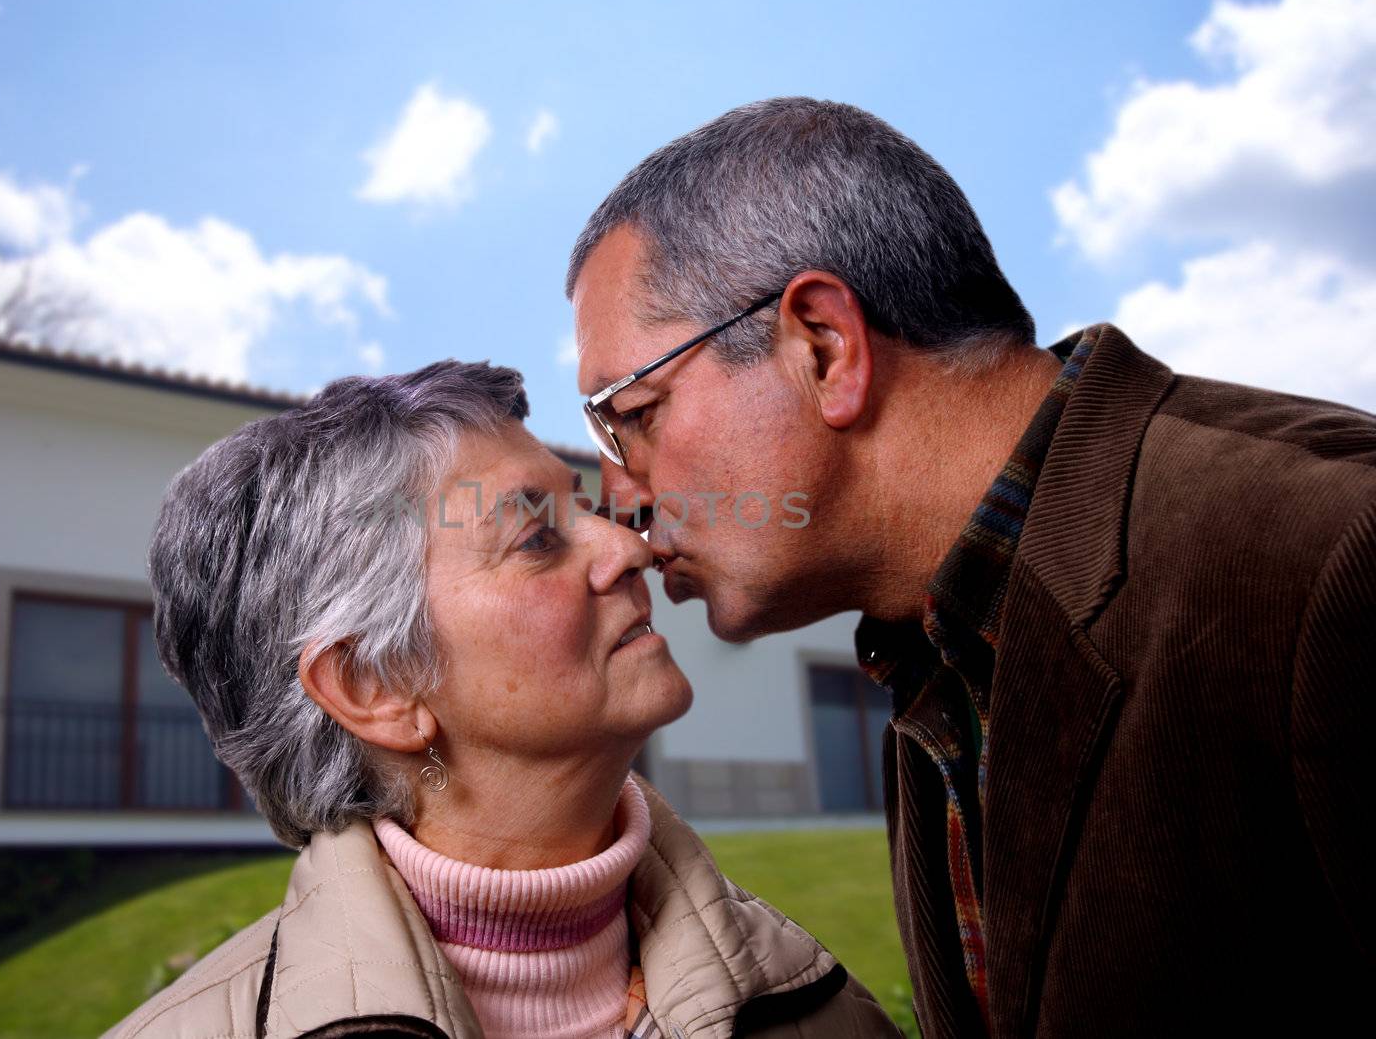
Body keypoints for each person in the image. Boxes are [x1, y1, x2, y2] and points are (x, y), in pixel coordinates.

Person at [567, 97, 1376, 1037]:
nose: (622, 495)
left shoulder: (1327, 561)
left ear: (824, 348)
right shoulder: (937, 659)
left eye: (636, 413)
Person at [105, 360, 900, 1039]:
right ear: (374, 685)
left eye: (583, 507)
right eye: (536, 538)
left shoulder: (816, 1005)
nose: (632, 546)